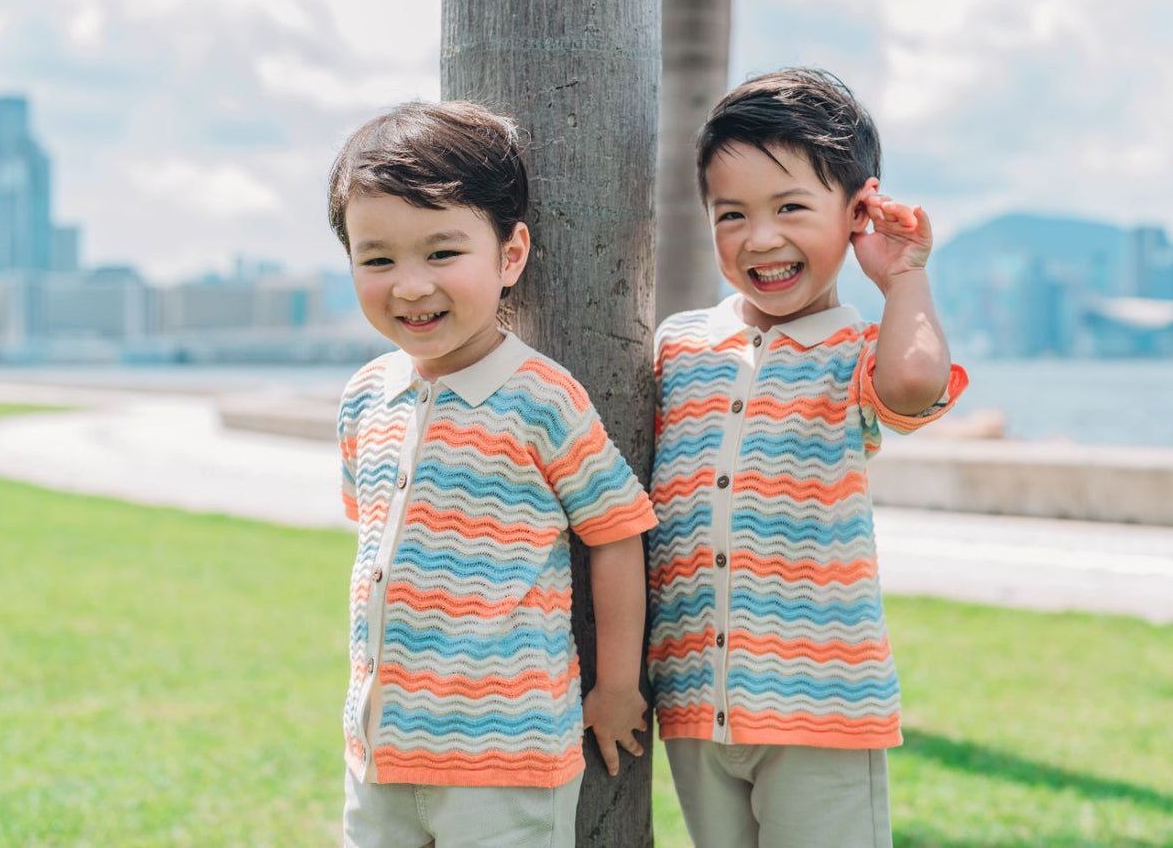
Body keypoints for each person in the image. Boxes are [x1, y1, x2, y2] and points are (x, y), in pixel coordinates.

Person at [647, 68, 969, 848]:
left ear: (858, 210)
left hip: (822, 706)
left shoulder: (856, 350)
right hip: (692, 704)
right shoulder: (677, 345)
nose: (760, 237)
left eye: (790, 207)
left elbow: (916, 382)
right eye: (732, 214)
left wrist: (904, 276)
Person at [329, 101, 656, 848]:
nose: (409, 285)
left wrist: (615, 685)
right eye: (377, 258)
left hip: (504, 762)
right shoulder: (364, 399)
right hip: (377, 755)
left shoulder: (540, 397)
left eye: (441, 253)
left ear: (510, 256)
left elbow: (615, 533)